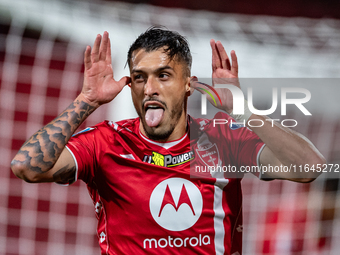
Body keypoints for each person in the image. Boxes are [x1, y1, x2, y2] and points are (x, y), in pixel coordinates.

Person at [11, 27, 325, 255]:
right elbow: (27, 168)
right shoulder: (105, 143)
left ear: (188, 85)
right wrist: (87, 100)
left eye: (163, 75)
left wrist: (241, 109)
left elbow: (309, 167)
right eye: (139, 77)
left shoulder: (223, 141)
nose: (149, 88)